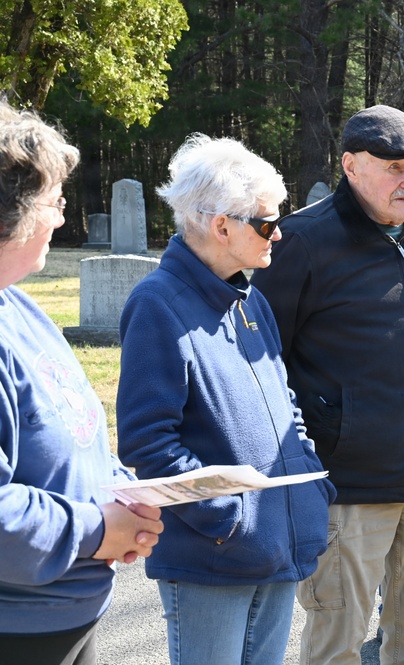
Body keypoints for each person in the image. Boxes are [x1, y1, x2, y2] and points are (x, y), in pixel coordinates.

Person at [250, 105, 404, 665]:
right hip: (346, 489)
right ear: (351, 165)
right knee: (337, 647)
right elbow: (261, 361)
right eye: (394, 166)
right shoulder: (302, 241)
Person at [115, 134, 336, 665]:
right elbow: (148, 443)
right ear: (221, 226)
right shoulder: (157, 304)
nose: (278, 233)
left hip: (277, 546)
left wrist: (311, 489)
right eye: (265, 222)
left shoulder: (249, 298)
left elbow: (284, 404)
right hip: (215, 557)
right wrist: (229, 519)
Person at [0, 101, 163, 665]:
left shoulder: (18, 306)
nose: (63, 219)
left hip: (63, 615)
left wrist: (127, 498)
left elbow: (75, 433)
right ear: (9, 212)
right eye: (55, 202)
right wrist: (99, 529)